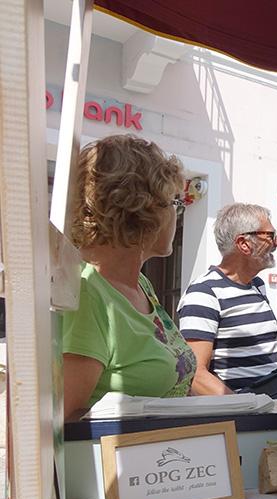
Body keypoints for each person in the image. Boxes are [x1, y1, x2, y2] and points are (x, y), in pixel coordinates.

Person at [62, 134, 196, 420]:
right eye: (174, 202)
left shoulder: (140, 284)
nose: (177, 214)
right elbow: (62, 419)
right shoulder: (88, 292)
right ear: (144, 210)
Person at [177, 203, 277, 410]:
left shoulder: (257, 286)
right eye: (271, 236)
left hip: (274, 408)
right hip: (244, 418)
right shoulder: (204, 293)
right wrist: (248, 409)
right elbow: (195, 375)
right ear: (244, 244)